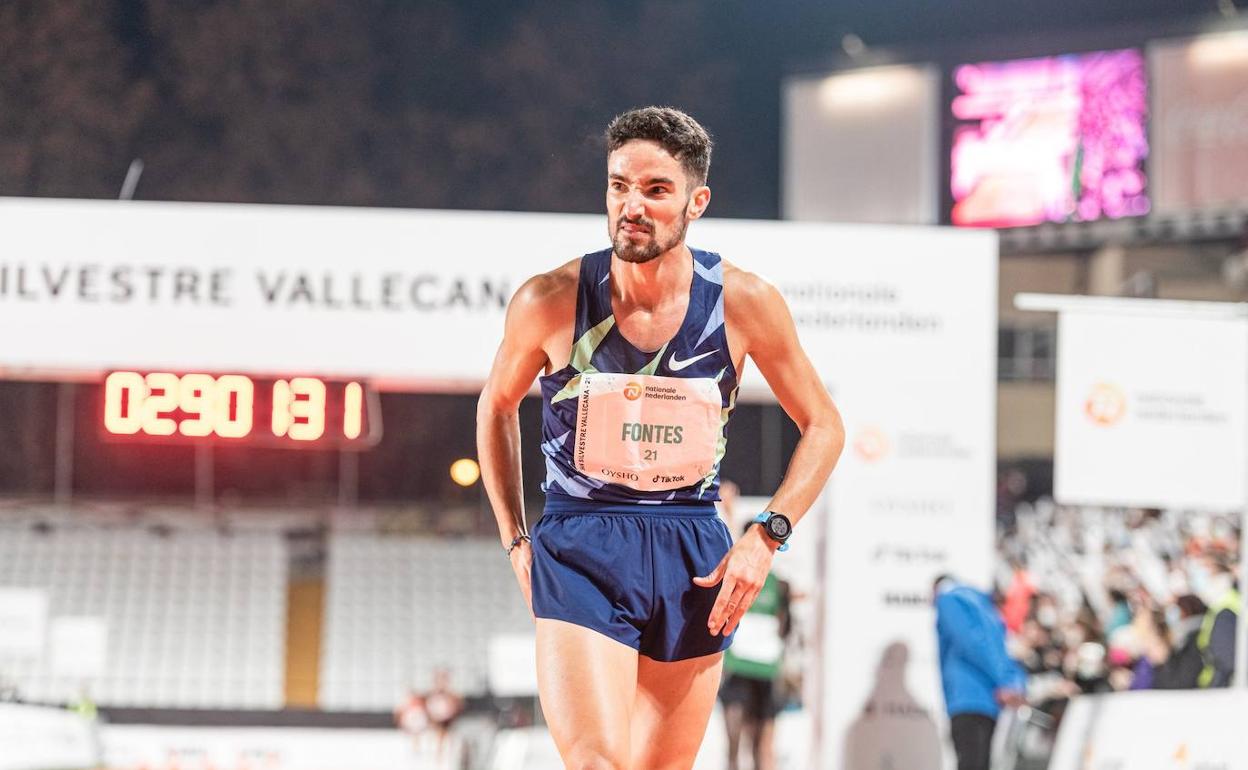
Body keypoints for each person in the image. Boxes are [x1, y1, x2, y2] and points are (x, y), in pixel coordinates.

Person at [477, 105, 844, 770]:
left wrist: (766, 535)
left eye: (655, 190)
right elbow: (495, 406)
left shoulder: (744, 302)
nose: (632, 206)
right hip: (582, 541)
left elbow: (825, 426)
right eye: (619, 186)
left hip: (694, 550)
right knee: (597, 763)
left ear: (696, 202)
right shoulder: (551, 298)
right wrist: (514, 538)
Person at [718, 523, 793, 770]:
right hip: (738, 667)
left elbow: (785, 626)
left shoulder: (780, 585)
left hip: (766, 670)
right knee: (733, 743)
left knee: (761, 745)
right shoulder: (733, 575)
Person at [933, 575, 1026, 770]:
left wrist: (1004, 683)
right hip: (989, 701)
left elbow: (971, 643)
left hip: (967, 698)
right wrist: (1013, 684)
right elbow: (1004, 652)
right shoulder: (988, 610)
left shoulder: (950, 599)